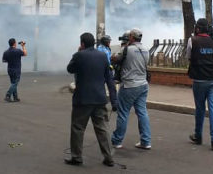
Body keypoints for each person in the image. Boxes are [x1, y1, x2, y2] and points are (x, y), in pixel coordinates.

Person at [65, 32, 117, 167]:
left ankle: (77, 157)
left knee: (78, 128)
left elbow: (70, 69)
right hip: (99, 98)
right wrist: (114, 99)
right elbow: (110, 80)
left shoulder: (79, 56)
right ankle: (108, 157)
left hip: (82, 99)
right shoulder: (103, 56)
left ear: (82, 43)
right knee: (102, 129)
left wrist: (78, 54)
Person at [110, 28, 152, 150]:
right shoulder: (146, 50)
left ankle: (117, 140)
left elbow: (114, 59)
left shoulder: (127, 49)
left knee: (123, 113)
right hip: (143, 85)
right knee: (142, 112)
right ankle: (146, 141)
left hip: (129, 85)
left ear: (132, 38)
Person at [186, 18, 213, 151]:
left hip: (199, 79)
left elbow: (188, 57)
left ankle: (198, 135)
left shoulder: (192, 40)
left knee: (200, 109)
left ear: (198, 28)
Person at [2, 38, 27, 102]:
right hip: (16, 69)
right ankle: (8, 95)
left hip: (10, 69)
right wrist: (23, 46)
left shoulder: (6, 52)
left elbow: (4, 61)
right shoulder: (17, 51)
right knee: (15, 83)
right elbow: (25, 54)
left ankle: (15, 97)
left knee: (13, 83)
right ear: (15, 43)